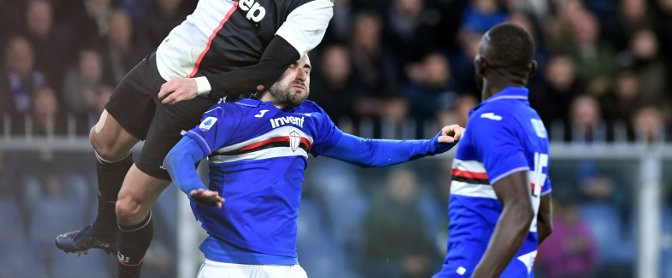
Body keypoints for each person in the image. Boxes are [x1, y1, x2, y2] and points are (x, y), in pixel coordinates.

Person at [55, 0, 354, 278]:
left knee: (130, 205)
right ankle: (104, 230)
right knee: (103, 142)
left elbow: (266, 71)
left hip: (202, 96)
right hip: (167, 60)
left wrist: (200, 85)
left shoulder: (316, 3)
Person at [162, 54, 464, 277]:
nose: (302, 73)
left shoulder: (311, 119)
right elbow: (179, 155)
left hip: (284, 266)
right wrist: (194, 188)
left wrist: (430, 145)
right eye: (291, 65)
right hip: (226, 266)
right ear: (265, 74)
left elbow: (368, 150)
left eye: (306, 68)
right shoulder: (232, 114)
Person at [433, 23, 553, 278]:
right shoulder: (533, 124)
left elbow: (521, 209)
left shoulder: (490, 119)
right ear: (531, 69)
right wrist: (512, 267)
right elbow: (543, 222)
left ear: (480, 64)